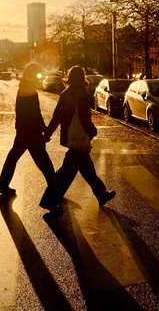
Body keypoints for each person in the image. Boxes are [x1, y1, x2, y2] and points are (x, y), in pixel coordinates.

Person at [40, 66, 115, 214]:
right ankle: (48, 201)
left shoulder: (65, 93)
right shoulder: (82, 94)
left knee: (87, 169)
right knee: (65, 175)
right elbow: (84, 117)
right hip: (79, 137)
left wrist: (48, 133)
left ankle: (101, 195)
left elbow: (57, 116)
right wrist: (92, 130)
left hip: (70, 135)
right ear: (82, 78)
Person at [0, 63, 55, 196]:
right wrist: (44, 130)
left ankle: (2, 185)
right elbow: (35, 113)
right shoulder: (29, 90)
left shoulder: (24, 87)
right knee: (44, 161)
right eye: (38, 74)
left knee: (13, 158)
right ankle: (55, 187)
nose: (39, 77)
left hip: (23, 131)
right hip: (31, 132)